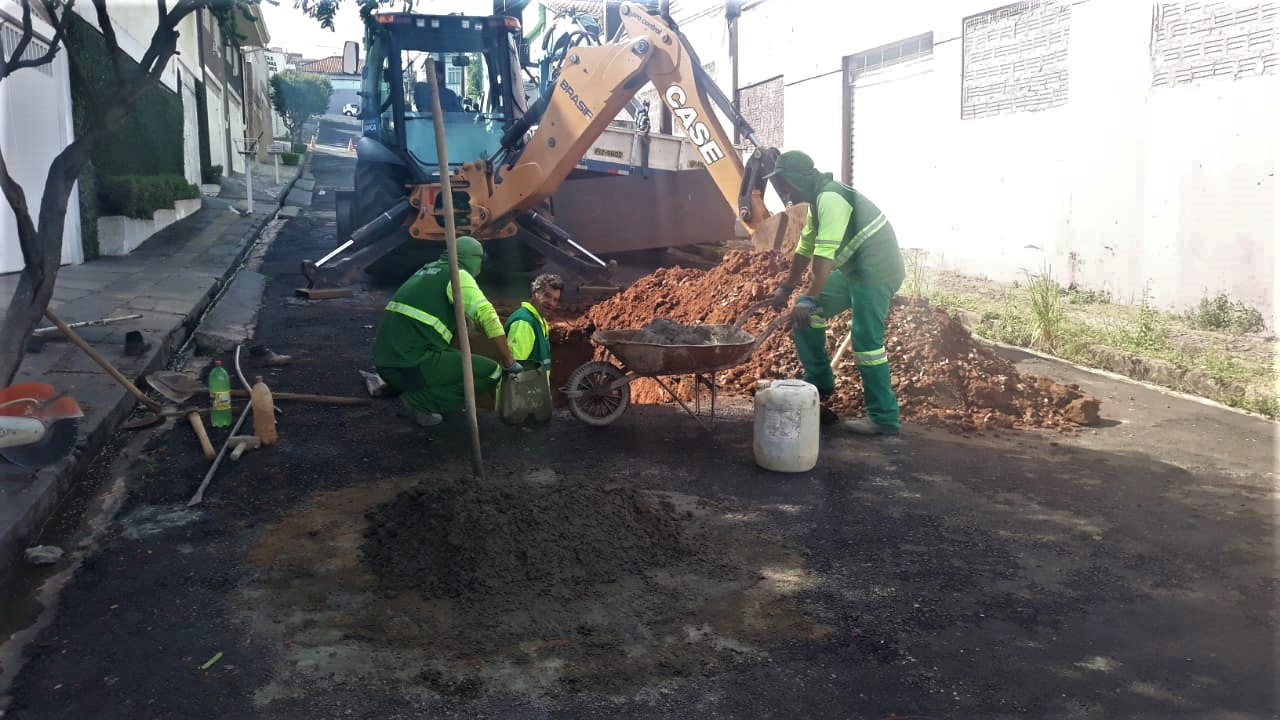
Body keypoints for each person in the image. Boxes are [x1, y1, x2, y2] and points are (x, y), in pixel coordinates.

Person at [765, 150, 906, 435]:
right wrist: (787, 288)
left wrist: (810, 295)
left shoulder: (830, 198)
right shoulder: (817, 203)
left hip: (877, 270)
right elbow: (805, 250)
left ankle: (883, 418)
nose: (783, 190)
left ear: (796, 178)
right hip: (855, 270)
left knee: (867, 342)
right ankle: (819, 381)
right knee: (805, 315)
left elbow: (824, 257)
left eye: (784, 183)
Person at [372, 236, 520, 427]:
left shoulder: (427, 270)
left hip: (387, 365)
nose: (481, 268)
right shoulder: (458, 275)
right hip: (409, 364)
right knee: (491, 372)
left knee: (453, 357)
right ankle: (420, 402)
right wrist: (509, 361)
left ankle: (418, 392)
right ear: (472, 259)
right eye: (480, 261)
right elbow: (488, 315)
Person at [505, 273, 563, 373]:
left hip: (533, 387)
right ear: (535, 293)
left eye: (555, 300)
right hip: (522, 388)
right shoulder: (524, 323)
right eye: (547, 296)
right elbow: (514, 370)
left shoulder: (539, 320)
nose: (551, 303)